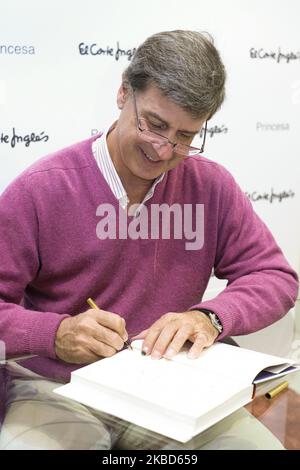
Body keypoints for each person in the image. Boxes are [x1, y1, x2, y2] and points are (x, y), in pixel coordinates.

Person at [0, 30, 298, 450]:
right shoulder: (41, 189)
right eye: (154, 125)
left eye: (185, 137)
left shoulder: (210, 185)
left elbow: (275, 276)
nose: (163, 150)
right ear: (124, 93)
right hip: (56, 388)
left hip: (170, 391)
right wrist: (57, 333)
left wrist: (208, 318)